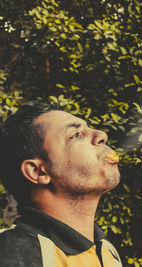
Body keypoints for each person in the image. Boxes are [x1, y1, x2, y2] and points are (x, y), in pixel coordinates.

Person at [0, 101, 122, 267]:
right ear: (38, 172)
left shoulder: (107, 251)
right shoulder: (12, 253)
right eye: (76, 135)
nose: (101, 135)